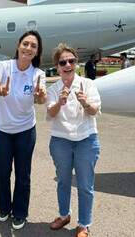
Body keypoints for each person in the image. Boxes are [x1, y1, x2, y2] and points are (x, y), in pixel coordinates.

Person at [0, 30, 47, 230]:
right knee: (2, 172)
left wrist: (40, 95)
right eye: (26, 44)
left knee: (23, 174)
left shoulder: (38, 74)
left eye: (33, 46)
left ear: (37, 52)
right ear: (18, 46)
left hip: (25, 131)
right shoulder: (4, 66)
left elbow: (40, 98)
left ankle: (20, 212)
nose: (28, 48)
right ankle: (4, 208)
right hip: (2, 130)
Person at [46, 43, 101, 237]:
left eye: (71, 61)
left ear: (76, 63)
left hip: (86, 139)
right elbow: (50, 114)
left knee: (85, 185)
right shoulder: (53, 89)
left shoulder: (88, 85)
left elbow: (95, 111)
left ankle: (84, 224)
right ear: (57, 66)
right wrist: (59, 103)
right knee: (63, 181)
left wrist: (85, 102)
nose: (67, 64)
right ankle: (64, 215)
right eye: (63, 62)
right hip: (61, 140)